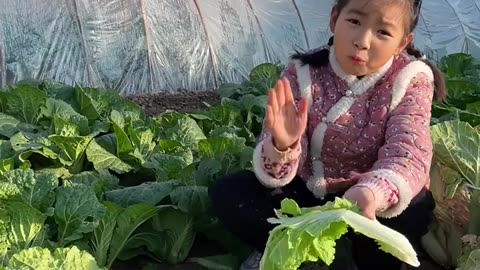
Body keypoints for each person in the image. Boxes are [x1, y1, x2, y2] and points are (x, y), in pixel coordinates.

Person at [209, 0, 447, 269]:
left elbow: (408, 153)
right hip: (310, 193)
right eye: (355, 22)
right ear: (335, 19)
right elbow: (278, 156)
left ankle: (333, 254)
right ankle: (305, 252)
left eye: (383, 32)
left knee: (412, 211)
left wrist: (371, 193)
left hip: (369, 202)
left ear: (403, 43)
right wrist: (282, 146)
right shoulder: (303, 71)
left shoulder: (410, 79)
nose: (363, 41)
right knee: (230, 193)